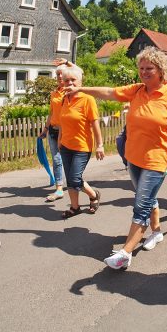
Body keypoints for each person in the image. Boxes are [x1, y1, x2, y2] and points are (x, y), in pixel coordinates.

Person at [64, 47, 167, 269]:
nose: (143, 72)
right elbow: (110, 92)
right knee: (148, 198)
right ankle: (157, 232)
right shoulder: (137, 90)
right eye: (141, 68)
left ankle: (125, 253)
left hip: (156, 160)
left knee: (141, 205)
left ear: (160, 70)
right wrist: (80, 89)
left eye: (149, 68)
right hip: (133, 157)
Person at [57, 63, 104, 218]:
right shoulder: (64, 99)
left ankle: (93, 195)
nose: (69, 83)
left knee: (75, 178)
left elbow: (95, 123)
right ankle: (75, 207)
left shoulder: (87, 99)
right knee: (70, 180)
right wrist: (59, 139)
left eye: (73, 80)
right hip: (65, 145)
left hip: (82, 147)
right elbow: (63, 122)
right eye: (66, 80)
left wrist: (100, 145)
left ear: (80, 82)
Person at [39, 60, 67, 201]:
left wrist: (67, 63)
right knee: (56, 160)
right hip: (53, 131)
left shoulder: (70, 93)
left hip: (66, 132)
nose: (59, 77)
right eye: (57, 75)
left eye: (62, 74)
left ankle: (75, 182)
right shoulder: (54, 94)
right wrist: (45, 129)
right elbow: (51, 112)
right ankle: (59, 188)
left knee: (67, 160)